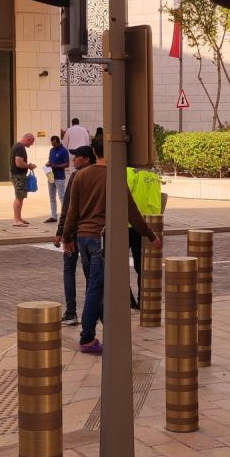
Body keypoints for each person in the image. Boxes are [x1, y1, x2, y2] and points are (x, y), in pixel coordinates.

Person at [61, 146, 160, 354]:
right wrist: (151, 235)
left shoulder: (80, 175)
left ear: (95, 153)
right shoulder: (114, 178)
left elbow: (72, 210)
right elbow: (131, 212)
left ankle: (111, 330)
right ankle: (87, 338)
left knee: (97, 287)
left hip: (83, 238)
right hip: (101, 240)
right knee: (96, 289)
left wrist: (67, 237)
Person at [53, 142, 96, 325]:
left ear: (86, 159)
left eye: (77, 156)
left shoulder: (77, 176)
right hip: (91, 234)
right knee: (90, 275)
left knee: (69, 270)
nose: (73, 159)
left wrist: (62, 233)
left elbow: (68, 208)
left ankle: (71, 313)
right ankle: (90, 313)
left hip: (75, 232)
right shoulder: (100, 175)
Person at [126, 163, 163, 310]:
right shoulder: (153, 173)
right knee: (142, 266)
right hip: (149, 224)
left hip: (129, 224)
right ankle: (143, 300)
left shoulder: (129, 172)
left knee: (117, 266)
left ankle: (129, 300)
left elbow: (123, 198)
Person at [10, 131, 36, 227]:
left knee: (20, 197)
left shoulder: (16, 146)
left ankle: (19, 218)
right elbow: (19, 163)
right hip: (19, 175)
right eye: (31, 142)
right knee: (19, 197)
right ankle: (16, 220)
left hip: (16, 175)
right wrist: (29, 166)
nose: (31, 145)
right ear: (28, 139)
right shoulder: (20, 147)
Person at [45, 133, 69, 222]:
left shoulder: (64, 151)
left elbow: (67, 164)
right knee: (52, 197)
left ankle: (64, 215)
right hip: (51, 175)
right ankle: (53, 216)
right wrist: (48, 164)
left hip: (59, 177)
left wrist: (55, 166)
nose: (54, 146)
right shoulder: (51, 150)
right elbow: (50, 160)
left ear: (59, 142)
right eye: (52, 144)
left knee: (61, 196)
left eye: (55, 144)